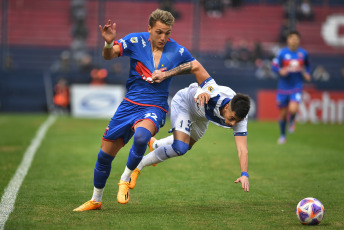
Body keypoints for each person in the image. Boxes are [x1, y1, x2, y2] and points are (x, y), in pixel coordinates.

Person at [73, 9, 211, 211]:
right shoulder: (135, 41)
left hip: (155, 106)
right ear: (149, 29)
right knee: (104, 156)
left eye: (167, 33)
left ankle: (125, 180)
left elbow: (200, 71)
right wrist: (109, 42)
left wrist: (204, 89)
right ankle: (96, 199)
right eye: (159, 32)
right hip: (128, 105)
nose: (163, 37)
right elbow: (109, 56)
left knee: (141, 137)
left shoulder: (178, 51)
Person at [129, 78, 251, 193]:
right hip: (185, 104)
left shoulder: (240, 118)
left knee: (186, 145)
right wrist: (199, 91)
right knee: (180, 148)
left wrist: (244, 174)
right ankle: (138, 165)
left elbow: (242, 149)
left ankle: (155, 144)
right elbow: (198, 80)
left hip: (202, 118)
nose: (233, 124)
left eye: (237, 121)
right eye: (232, 118)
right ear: (226, 107)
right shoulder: (216, 93)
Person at [272, 30, 311, 144]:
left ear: (299, 40)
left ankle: (292, 120)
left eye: (296, 38)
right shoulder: (282, 53)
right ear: (288, 40)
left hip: (296, 86)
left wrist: (307, 73)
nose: (294, 41)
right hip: (283, 87)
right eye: (292, 38)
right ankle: (283, 135)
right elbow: (274, 66)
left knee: (293, 109)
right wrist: (280, 70)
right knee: (283, 114)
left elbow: (308, 65)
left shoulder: (303, 53)